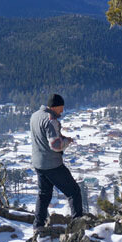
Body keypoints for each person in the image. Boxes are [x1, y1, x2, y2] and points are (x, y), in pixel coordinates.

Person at [30, 93, 84, 228]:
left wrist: (61, 137)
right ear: (56, 106)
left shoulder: (35, 116)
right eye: (61, 108)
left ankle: (38, 226)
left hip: (38, 163)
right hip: (52, 164)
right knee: (74, 192)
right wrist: (66, 141)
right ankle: (78, 225)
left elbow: (43, 136)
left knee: (44, 195)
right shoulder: (51, 119)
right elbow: (55, 145)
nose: (62, 111)